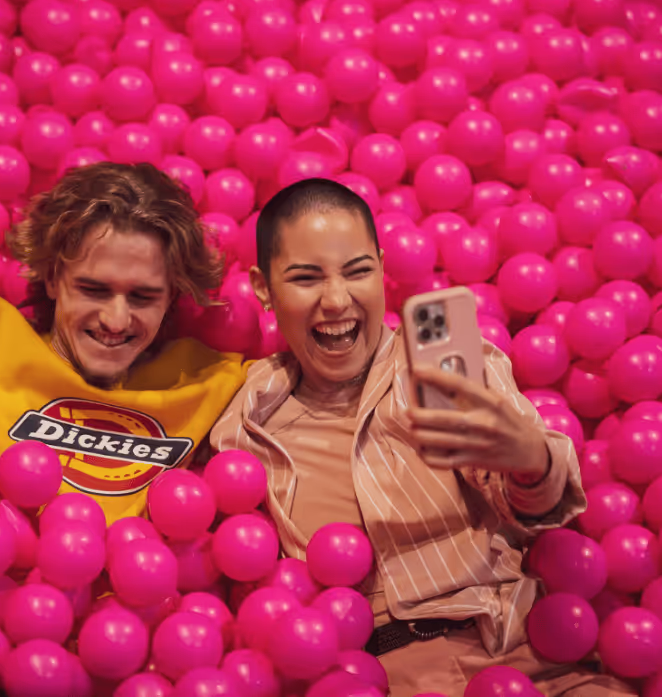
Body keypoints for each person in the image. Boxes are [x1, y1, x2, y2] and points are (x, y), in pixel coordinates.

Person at [210, 178, 633, 697]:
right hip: (373, 679)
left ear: (383, 271)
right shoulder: (247, 419)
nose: (337, 300)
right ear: (263, 289)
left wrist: (530, 458)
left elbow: (535, 499)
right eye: (305, 278)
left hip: (528, 654)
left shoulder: (442, 363)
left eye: (358, 271)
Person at [0, 162, 247, 522]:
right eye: (93, 289)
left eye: (143, 297)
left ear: (172, 296)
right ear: (53, 279)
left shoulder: (209, 381)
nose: (116, 320)